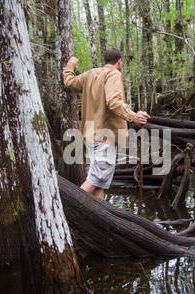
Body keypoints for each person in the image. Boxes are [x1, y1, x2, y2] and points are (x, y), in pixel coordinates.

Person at [63, 47, 150, 200]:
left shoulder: (89, 74)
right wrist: (133, 116)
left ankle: (99, 219)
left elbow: (70, 82)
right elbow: (114, 102)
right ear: (119, 62)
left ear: (104, 62)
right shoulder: (114, 74)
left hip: (91, 136)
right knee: (95, 180)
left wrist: (70, 67)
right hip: (104, 138)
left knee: (99, 182)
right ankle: (66, 211)